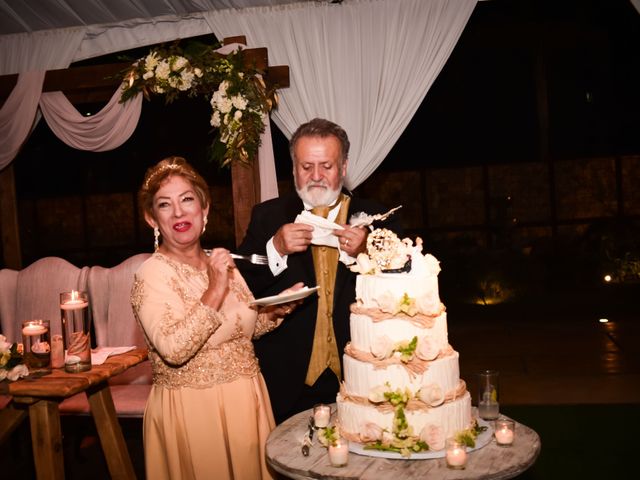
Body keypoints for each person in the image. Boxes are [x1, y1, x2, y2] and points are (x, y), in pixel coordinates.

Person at [130, 156, 301, 480]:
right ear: (152, 219)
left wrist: (275, 311)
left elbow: (239, 329)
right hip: (195, 414)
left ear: (204, 209)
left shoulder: (220, 260)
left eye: (187, 200)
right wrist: (215, 287)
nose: (179, 212)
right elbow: (174, 348)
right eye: (165, 205)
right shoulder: (151, 275)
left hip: (247, 403)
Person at [237, 118, 401, 424]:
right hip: (287, 382)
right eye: (306, 166)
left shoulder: (377, 218)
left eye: (326, 165)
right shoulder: (267, 216)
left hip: (364, 378)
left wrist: (369, 252)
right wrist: (275, 248)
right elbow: (241, 287)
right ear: (293, 167)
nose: (316, 176)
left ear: (343, 167)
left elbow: (409, 282)